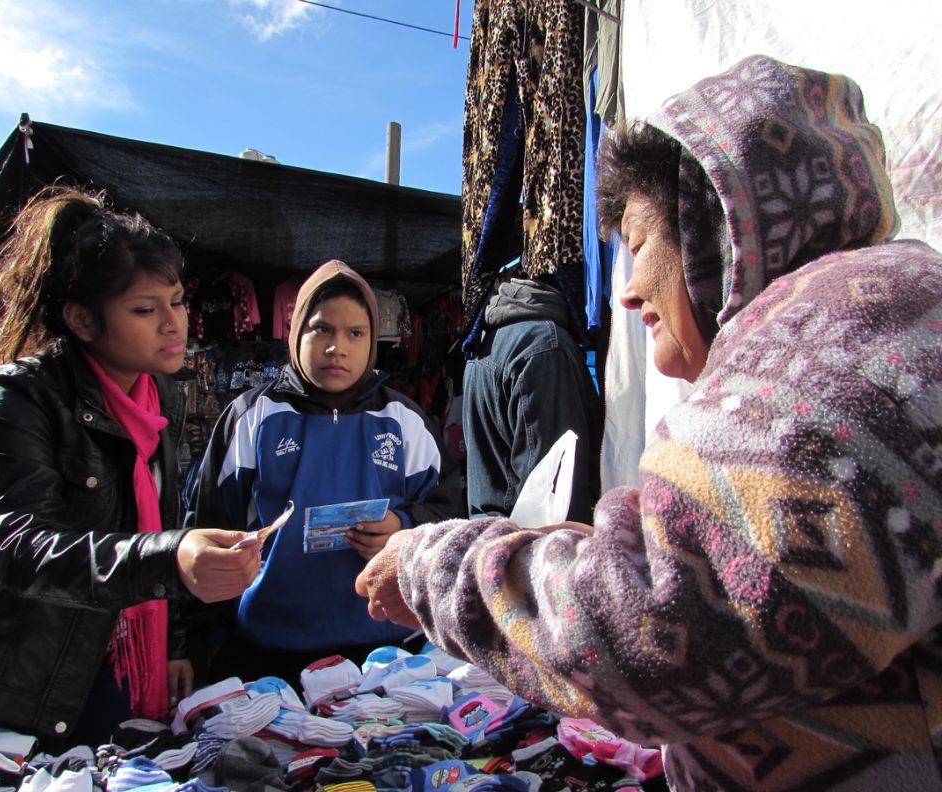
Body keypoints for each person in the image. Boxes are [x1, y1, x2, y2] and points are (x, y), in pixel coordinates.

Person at [357, 55, 942, 790]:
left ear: (713, 218)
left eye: (636, 244)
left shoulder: (843, 339)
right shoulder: (866, 320)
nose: (628, 292)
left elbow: (659, 630)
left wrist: (430, 565)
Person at [0, 185, 261, 747]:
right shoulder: (17, 399)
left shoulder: (152, 402)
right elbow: (13, 545)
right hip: (5, 671)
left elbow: (154, 523)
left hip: (110, 660)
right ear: (82, 320)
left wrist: (174, 642)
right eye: (145, 309)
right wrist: (172, 558)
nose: (173, 323)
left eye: (178, 301)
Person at [186, 259, 463, 687]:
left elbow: (451, 512)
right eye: (322, 329)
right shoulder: (251, 417)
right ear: (296, 331)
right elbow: (203, 530)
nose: (339, 347)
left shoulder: (405, 419)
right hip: (270, 657)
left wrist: (403, 528)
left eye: (356, 333)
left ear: (373, 341)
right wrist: (198, 645)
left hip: (389, 655)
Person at [463, 271, 603, 522]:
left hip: (493, 542)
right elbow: (554, 502)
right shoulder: (547, 347)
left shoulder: (484, 348)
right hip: (534, 549)